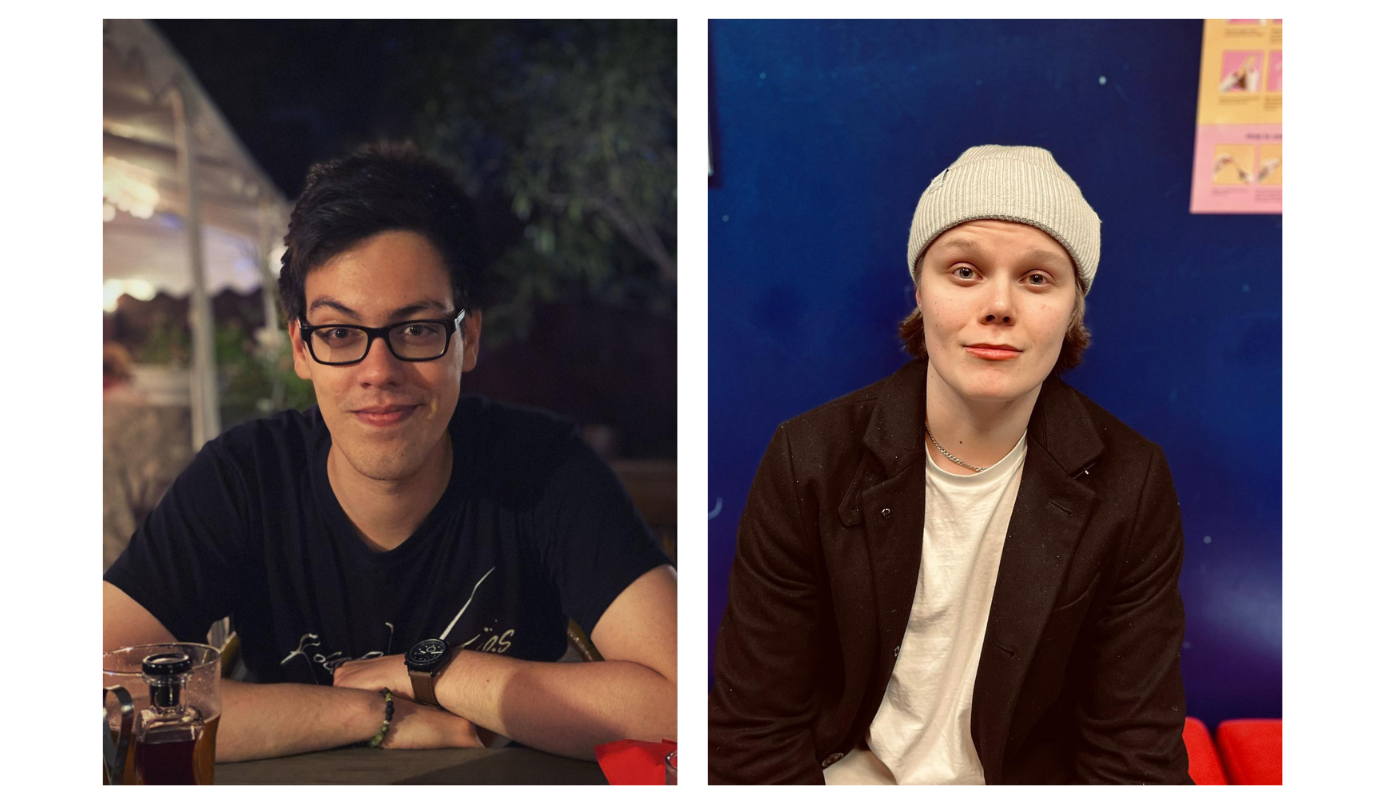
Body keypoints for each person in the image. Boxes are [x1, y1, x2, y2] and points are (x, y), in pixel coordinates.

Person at [104, 143, 677, 763]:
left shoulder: (544, 470)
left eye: (417, 329)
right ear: (301, 347)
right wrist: (373, 712)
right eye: (341, 333)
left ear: (470, 337)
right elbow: (94, 694)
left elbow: (691, 705)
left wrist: (435, 672)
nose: (379, 370)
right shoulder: (245, 479)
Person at [708, 145, 1190, 784]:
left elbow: (1135, 755)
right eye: (964, 270)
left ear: (1074, 307)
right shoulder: (812, 458)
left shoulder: (1130, 482)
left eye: (1037, 278)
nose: (998, 305)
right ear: (920, 289)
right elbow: (752, 730)